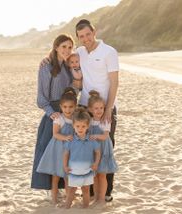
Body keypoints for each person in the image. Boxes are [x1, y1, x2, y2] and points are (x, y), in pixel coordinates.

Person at [75, 19, 119, 202]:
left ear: (94, 32)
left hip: (104, 109)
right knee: (87, 149)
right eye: (81, 36)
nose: (85, 39)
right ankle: (92, 191)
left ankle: (107, 193)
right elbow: (64, 59)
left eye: (87, 34)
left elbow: (114, 82)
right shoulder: (79, 52)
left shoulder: (109, 52)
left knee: (106, 148)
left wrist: (109, 108)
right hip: (85, 107)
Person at [31, 34, 75, 191]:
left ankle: (63, 188)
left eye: (70, 47)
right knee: (48, 151)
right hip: (54, 113)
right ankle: (49, 189)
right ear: (56, 47)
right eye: (64, 46)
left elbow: (74, 90)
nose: (67, 50)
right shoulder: (46, 66)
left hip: (68, 112)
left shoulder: (69, 66)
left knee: (65, 151)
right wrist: (51, 113)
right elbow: (41, 97)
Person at [36, 87, 77, 204]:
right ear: (60, 107)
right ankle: (54, 200)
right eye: (64, 107)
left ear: (75, 106)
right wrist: (65, 138)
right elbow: (55, 134)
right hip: (57, 149)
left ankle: (69, 200)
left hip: (70, 151)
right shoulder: (59, 118)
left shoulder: (75, 119)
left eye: (70, 107)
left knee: (67, 176)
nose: (67, 110)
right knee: (55, 177)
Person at [63, 107, 101, 209]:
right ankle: (66, 207)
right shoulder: (71, 140)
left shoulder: (92, 140)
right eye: (78, 126)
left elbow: (98, 152)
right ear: (73, 126)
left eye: (83, 126)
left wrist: (96, 163)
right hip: (73, 170)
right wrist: (65, 166)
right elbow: (66, 154)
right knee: (72, 190)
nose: (80, 128)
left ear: (88, 126)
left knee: (86, 190)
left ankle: (85, 208)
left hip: (87, 170)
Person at [88, 90, 118, 205]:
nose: (99, 110)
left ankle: (101, 197)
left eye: (101, 108)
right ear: (90, 109)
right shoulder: (90, 121)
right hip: (93, 151)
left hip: (104, 149)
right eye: (96, 108)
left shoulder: (105, 120)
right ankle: (96, 197)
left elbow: (105, 136)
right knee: (95, 176)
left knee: (102, 175)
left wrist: (94, 136)